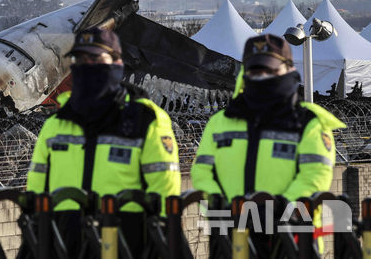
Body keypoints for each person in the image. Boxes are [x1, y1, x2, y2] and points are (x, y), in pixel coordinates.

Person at [26, 27, 180, 257]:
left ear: (117, 63)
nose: (87, 66)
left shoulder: (145, 121)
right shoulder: (55, 125)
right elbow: (37, 193)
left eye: (95, 59)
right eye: (80, 60)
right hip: (66, 241)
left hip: (126, 242)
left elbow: (165, 194)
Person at [191, 34, 345, 252]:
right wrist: (220, 207)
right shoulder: (219, 123)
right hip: (230, 236)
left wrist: (281, 210)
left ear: (288, 69)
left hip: (291, 238)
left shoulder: (309, 124)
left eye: (270, 70)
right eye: (255, 71)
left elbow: (314, 178)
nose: (261, 76)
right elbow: (201, 174)